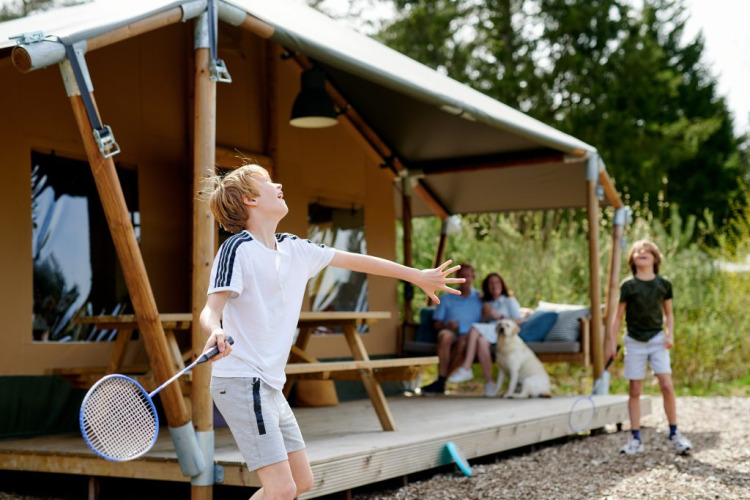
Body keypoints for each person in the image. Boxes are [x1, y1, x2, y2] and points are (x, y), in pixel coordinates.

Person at [198, 164, 464, 499]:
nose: (278, 184)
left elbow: (359, 261)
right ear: (250, 199)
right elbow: (210, 310)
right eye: (266, 181)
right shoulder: (237, 249)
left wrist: (417, 275)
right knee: (281, 488)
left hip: (270, 384)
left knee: (300, 483)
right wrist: (215, 331)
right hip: (241, 380)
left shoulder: (295, 249)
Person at [608, 239, 692, 455]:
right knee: (635, 389)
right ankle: (635, 438)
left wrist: (670, 334)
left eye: (646, 251)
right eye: (637, 251)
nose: (641, 253)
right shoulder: (628, 286)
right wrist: (612, 342)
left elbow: (669, 314)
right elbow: (618, 317)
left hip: (657, 340)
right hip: (634, 342)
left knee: (666, 384)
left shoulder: (664, 284)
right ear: (632, 260)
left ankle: (674, 434)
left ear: (655, 258)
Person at [448, 272, 523, 396]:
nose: (494, 286)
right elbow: (483, 324)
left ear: (502, 284)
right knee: (481, 341)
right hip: (490, 333)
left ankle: (466, 367)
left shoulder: (509, 301)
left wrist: (499, 316)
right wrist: (484, 315)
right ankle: (490, 383)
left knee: (474, 328)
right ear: (487, 287)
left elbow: (519, 321)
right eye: (491, 283)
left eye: (497, 282)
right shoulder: (486, 303)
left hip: (502, 332)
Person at [419, 263, 483, 396]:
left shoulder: (480, 298)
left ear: (473, 278)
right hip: (450, 333)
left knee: (463, 343)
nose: (464, 279)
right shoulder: (446, 298)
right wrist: (447, 326)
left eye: (468, 276)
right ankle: (442, 381)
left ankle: (441, 381)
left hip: (470, 336)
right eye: (461, 276)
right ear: (456, 278)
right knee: (444, 336)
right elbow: (437, 324)